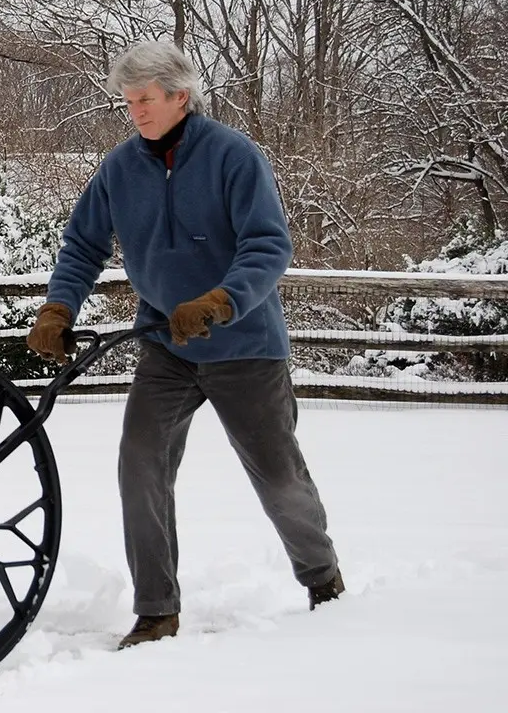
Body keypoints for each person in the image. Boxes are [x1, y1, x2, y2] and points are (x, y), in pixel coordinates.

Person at [26, 40, 344, 650]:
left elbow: (268, 245)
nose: (136, 111)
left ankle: (323, 579)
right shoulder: (119, 168)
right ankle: (156, 611)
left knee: (278, 477)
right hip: (166, 346)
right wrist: (59, 306)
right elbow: (83, 246)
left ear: (180, 95)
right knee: (140, 466)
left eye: (145, 100)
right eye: (129, 102)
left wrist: (221, 301)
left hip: (245, 346)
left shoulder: (233, 157)